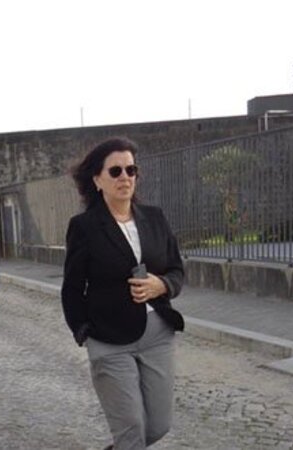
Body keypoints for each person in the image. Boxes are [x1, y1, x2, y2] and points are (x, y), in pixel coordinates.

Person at [61, 137, 185, 450]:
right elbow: (72, 288)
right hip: (109, 339)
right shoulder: (84, 227)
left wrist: (162, 285)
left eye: (131, 170)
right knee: (131, 430)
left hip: (157, 334)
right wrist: (84, 331)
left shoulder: (154, 218)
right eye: (115, 171)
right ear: (97, 180)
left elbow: (176, 270)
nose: (125, 177)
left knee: (157, 426)